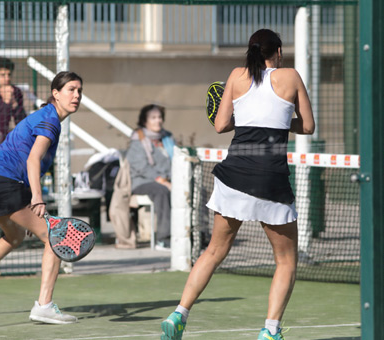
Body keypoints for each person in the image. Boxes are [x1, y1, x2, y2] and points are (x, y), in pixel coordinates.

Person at [159, 29, 314, 340]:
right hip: (271, 180)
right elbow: (308, 126)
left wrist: (247, 115)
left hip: (233, 177)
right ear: (279, 52)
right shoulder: (292, 76)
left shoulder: (235, 75)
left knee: (214, 251)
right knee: (286, 260)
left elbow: (220, 124)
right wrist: (283, 119)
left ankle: (179, 313)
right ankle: (270, 331)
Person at [0, 71, 83, 324]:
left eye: (79, 91)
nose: (76, 95)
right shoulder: (50, 121)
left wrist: (27, 207)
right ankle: (44, 306)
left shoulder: (44, 117)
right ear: (55, 93)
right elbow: (33, 160)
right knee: (55, 236)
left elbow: (26, 163)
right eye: (71, 90)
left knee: (15, 236)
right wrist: (37, 199)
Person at [126, 104, 175, 251]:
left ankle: (201, 236)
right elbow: (141, 167)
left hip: (169, 180)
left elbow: (176, 161)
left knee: (198, 189)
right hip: (143, 182)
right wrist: (164, 182)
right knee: (162, 192)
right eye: (153, 118)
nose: (158, 121)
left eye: (159, 117)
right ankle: (163, 240)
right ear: (144, 121)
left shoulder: (168, 137)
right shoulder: (137, 139)